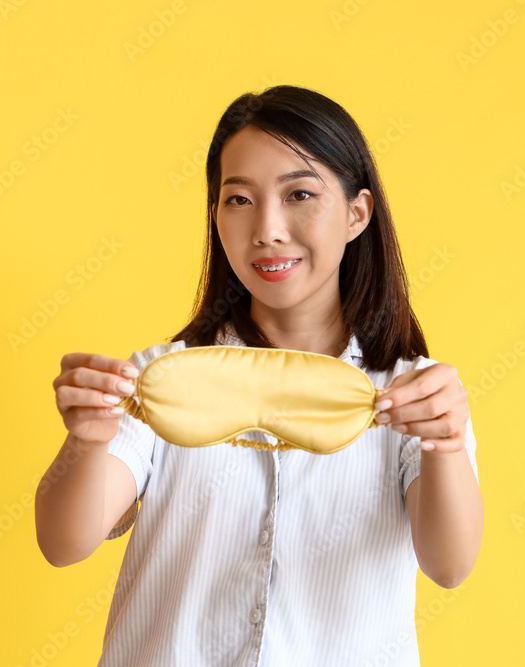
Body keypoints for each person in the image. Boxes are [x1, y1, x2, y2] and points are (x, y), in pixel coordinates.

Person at [35, 84, 484, 666]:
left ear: (357, 214)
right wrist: (86, 442)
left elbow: (449, 565)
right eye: (238, 199)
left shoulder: (413, 394)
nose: (267, 228)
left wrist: (445, 444)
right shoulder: (158, 378)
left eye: (299, 193)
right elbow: (63, 543)